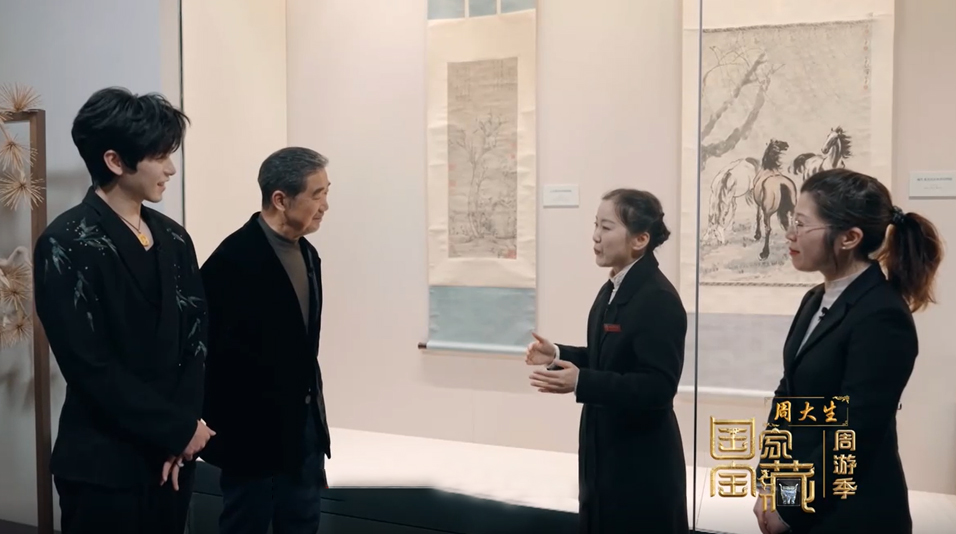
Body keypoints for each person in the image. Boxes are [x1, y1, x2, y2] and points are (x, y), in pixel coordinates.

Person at [32, 87, 213, 534]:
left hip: (173, 459)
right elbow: (89, 365)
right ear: (115, 161)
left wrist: (185, 432)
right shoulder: (65, 241)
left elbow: (197, 336)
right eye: (159, 156)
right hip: (104, 465)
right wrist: (176, 429)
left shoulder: (174, 237)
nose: (171, 169)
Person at [753, 169, 944, 534]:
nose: (790, 234)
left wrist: (790, 507)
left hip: (849, 510)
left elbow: (854, 433)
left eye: (801, 224)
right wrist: (769, 483)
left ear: (850, 238)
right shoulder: (815, 298)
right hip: (803, 495)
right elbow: (789, 397)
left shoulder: (882, 315)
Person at [526, 189, 689, 534]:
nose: (595, 236)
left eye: (607, 227)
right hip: (605, 458)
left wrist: (582, 382)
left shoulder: (658, 298)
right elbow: (608, 359)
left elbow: (658, 387)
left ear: (640, 240)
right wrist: (558, 354)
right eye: (595, 225)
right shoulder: (614, 287)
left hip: (640, 467)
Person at [199, 147, 332, 534]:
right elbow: (209, 357)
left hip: (304, 438)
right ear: (280, 199)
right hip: (251, 442)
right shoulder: (231, 262)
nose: (325, 206)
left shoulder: (309, 255)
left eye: (326, 193)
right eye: (317, 195)